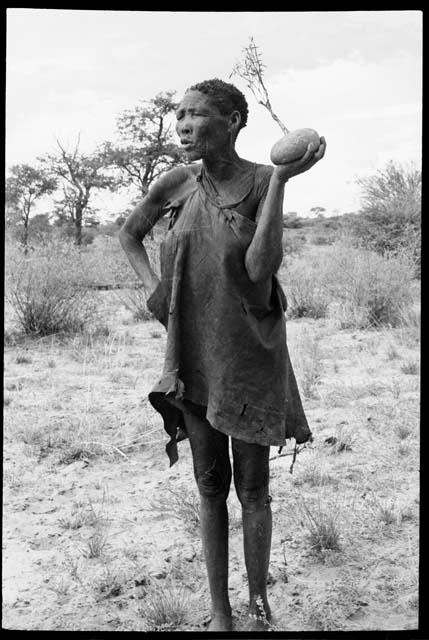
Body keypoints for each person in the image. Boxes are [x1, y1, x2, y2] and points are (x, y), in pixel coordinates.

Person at [119, 78, 326, 631]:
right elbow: (129, 235)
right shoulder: (177, 183)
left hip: (250, 351)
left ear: (233, 122)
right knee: (210, 483)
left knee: (253, 486)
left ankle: (259, 608)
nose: (183, 124)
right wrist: (153, 291)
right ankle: (220, 613)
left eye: (197, 115)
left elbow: (261, 273)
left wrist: (281, 181)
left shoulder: (262, 180)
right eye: (178, 115)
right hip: (192, 350)